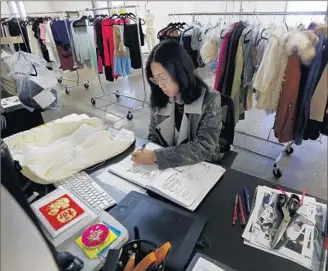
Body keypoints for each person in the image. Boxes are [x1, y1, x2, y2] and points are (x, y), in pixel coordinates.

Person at [132, 40, 222, 170]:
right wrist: (146, 150)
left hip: (201, 168)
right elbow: (154, 136)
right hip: (169, 171)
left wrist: (156, 156)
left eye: (163, 77)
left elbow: (204, 147)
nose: (160, 85)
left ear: (180, 71)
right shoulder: (160, 95)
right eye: (155, 79)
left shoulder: (210, 99)